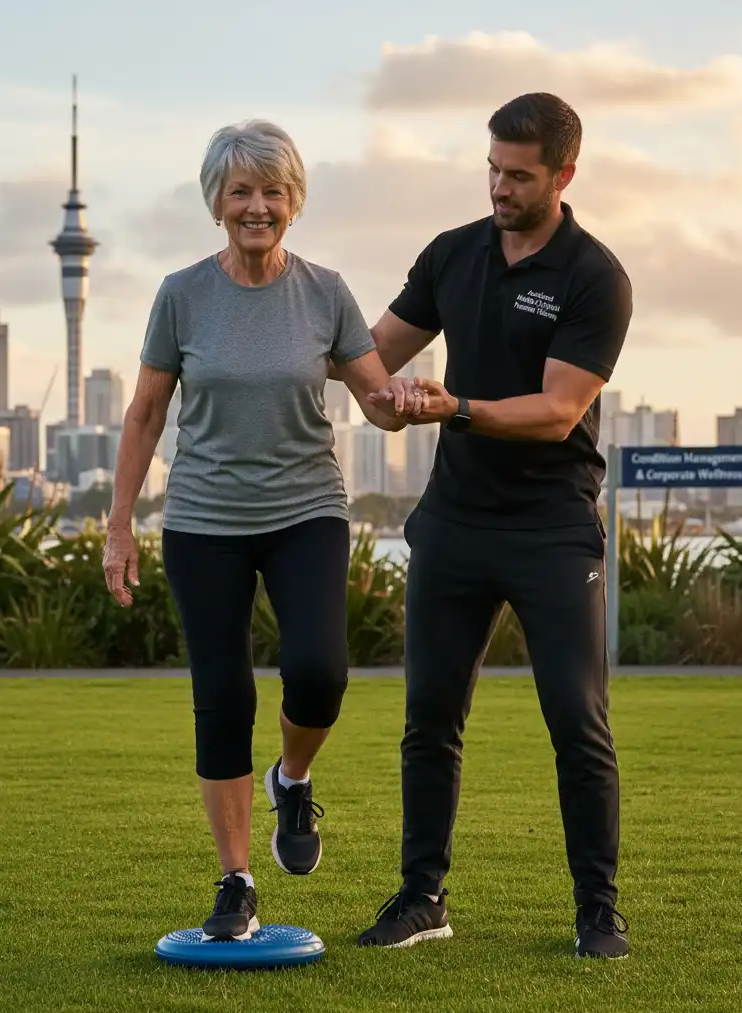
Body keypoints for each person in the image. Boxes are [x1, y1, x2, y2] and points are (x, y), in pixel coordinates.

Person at [102, 119, 420, 942]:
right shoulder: (181, 294)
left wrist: (409, 403)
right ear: (216, 203)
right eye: (240, 191)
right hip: (205, 519)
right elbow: (144, 415)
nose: (257, 206)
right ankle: (236, 878)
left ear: (294, 202)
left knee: (319, 673)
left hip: (306, 508)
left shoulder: (326, 292)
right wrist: (119, 526)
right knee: (223, 695)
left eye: (272, 191)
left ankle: (294, 777)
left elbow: (376, 404)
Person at [355, 93, 633, 958]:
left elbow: (556, 412)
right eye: (492, 170)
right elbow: (372, 362)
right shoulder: (452, 254)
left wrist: (451, 407)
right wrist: (388, 402)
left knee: (575, 719)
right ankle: (421, 898)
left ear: (564, 175)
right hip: (455, 526)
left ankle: (598, 910)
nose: (499, 188)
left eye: (518, 176)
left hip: (552, 529)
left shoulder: (595, 276)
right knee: (428, 718)